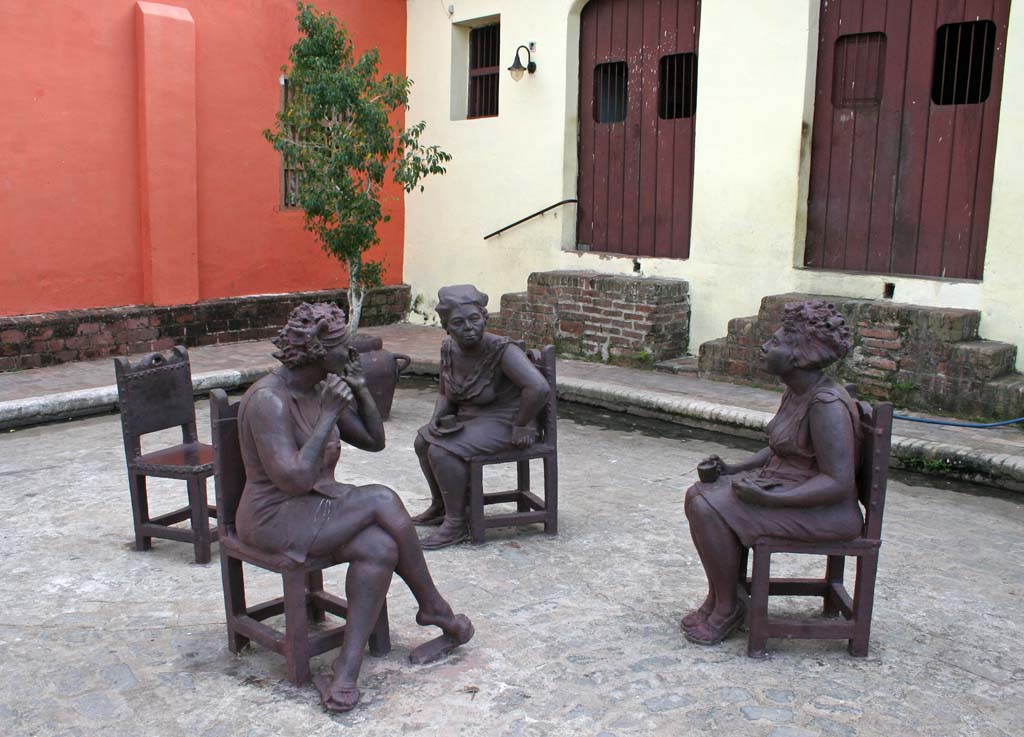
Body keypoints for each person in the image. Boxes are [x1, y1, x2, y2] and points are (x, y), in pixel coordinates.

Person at [235, 302, 473, 712]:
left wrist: (359, 388)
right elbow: (292, 480)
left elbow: (373, 440)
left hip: (315, 505)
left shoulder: (319, 388)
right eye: (343, 349)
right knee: (381, 497)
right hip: (273, 517)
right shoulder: (268, 401)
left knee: (380, 547)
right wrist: (328, 415)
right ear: (314, 352)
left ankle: (345, 670)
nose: (352, 355)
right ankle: (433, 607)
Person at [682, 301, 863, 645]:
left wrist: (771, 498)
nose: (765, 347)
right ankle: (721, 597)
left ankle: (726, 608)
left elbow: (838, 483)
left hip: (828, 513)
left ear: (799, 356)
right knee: (698, 494)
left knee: (708, 507)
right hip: (797, 493)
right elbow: (783, 448)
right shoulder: (797, 393)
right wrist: (733, 469)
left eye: (776, 343)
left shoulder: (826, 405)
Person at [412, 285, 550, 549]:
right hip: (473, 418)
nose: (469, 327)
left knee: (442, 452)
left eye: (474, 319)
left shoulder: (502, 350)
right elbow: (445, 394)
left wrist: (522, 425)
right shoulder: (449, 349)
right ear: (447, 327)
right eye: (458, 322)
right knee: (423, 441)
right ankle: (442, 505)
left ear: (485, 318)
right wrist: (435, 420)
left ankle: (456, 524)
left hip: (507, 421)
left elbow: (538, 387)